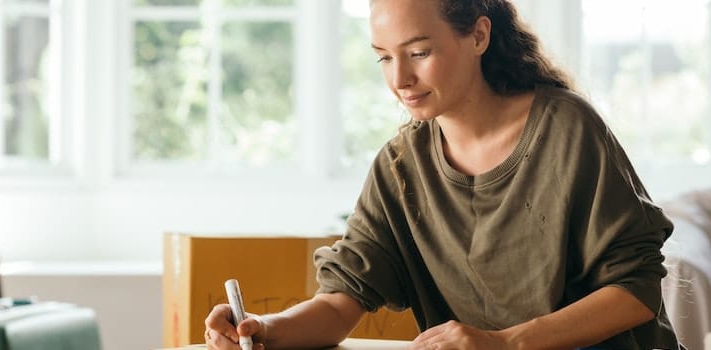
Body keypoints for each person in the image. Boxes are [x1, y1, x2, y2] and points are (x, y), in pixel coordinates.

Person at [205, 0, 684, 349]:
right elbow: (339, 303)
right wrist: (263, 329)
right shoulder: (400, 165)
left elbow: (635, 290)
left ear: (478, 36)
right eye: (384, 57)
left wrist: (505, 343)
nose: (399, 80)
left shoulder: (568, 130)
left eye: (418, 52)